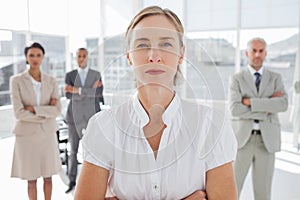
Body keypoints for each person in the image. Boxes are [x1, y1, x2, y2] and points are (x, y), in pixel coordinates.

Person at [74, 6, 237, 200]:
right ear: (128, 56)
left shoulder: (211, 125)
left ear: (181, 54)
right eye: (142, 45)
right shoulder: (103, 126)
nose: (154, 56)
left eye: (166, 44)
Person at [229, 37, 288, 200]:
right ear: (247, 53)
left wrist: (250, 102)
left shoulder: (275, 78)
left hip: (266, 141)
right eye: (254, 51)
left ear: (265, 53)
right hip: (242, 141)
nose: (257, 54)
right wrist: (268, 106)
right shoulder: (237, 79)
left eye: (261, 51)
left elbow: (282, 104)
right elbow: (235, 109)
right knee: (232, 189)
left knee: (263, 193)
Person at [10, 42, 62, 200]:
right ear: (26, 57)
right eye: (31, 55)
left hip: (47, 135)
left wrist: (33, 109)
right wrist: (46, 112)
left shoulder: (51, 81)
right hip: (26, 137)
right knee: (31, 180)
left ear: (43, 57)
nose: (35, 58)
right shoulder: (16, 81)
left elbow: (57, 110)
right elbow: (19, 113)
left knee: (48, 177)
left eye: (38, 55)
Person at [64, 47, 104, 193]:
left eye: (84, 56)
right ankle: (72, 180)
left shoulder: (96, 74)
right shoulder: (70, 75)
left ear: (88, 57)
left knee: (94, 150)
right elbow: (68, 96)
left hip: (92, 116)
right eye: (79, 56)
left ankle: (95, 180)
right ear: (76, 58)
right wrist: (88, 91)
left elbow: (98, 94)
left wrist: (77, 90)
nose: (81, 58)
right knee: (73, 150)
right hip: (74, 117)